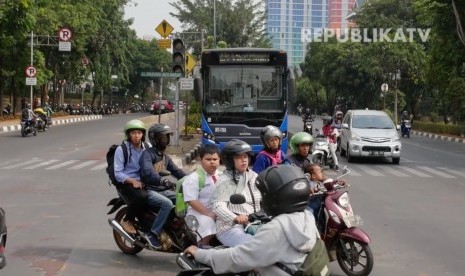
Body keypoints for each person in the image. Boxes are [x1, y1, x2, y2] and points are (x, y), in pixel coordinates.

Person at [184, 165, 323, 275]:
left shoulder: (277, 229)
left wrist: (201, 254)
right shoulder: (307, 217)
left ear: (275, 198)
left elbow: (239, 257)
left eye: (265, 194)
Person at [140, 123, 186, 249]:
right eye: (163, 137)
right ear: (154, 139)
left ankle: (178, 227)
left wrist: (192, 179)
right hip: (149, 189)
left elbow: (177, 172)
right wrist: (163, 182)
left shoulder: (165, 157)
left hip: (162, 190)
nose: (166, 140)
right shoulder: (147, 155)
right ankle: (152, 233)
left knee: (186, 199)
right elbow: (148, 173)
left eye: (167, 137)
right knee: (167, 204)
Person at [211, 139, 261, 247]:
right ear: (229, 160)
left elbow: (264, 195)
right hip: (230, 227)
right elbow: (218, 205)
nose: (243, 160)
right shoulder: (225, 180)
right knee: (252, 246)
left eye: (245, 156)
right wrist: (235, 218)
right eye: (239, 157)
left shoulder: (253, 176)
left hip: (254, 223)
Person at [114, 119, 151, 235]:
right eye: (133, 133)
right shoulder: (122, 150)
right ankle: (127, 220)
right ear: (128, 134)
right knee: (143, 196)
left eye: (139, 133)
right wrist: (132, 181)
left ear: (143, 134)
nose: (136, 136)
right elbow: (118, 173)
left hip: (144, 181)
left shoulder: (147, 147)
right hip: (126, 183)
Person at [182, 144, 221, 246]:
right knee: (209, 225)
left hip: (217, 211)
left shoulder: (221, 175)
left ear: (219, 160)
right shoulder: (194, 178)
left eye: (215, 159)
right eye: (208, 159)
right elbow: (191, 200)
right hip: (197, 213)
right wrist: (209, 214)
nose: (212, 162)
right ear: (201, 160)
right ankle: (201, 250)